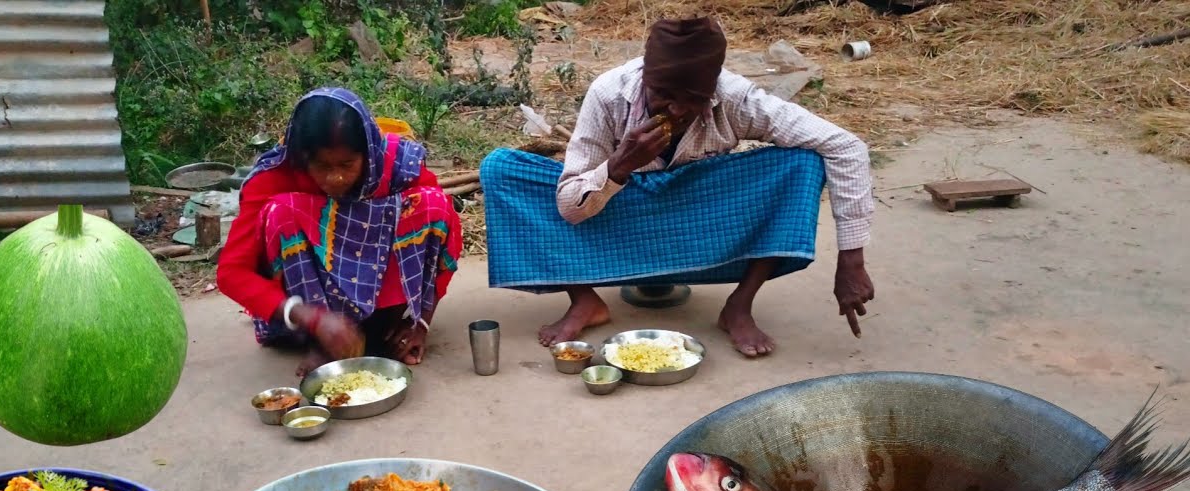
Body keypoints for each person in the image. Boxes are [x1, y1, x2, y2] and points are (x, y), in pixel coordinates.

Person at [480, 17, 876, 357]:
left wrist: (851, 260)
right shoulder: (610, 93)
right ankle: (584, 300)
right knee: (502, 170)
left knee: (801, 163)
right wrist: (619, 166)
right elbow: (569, 205)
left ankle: (739, 305)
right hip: (622, 206)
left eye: (694, 99)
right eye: (664, 95)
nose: (677, 110)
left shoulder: (735, 97)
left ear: (713, 89)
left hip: (694, 209)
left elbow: (845, 145)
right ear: (645, 78)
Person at [217, 88, 463, 376]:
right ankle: (319, 341)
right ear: (302, 157)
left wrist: (421, 322)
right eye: (322, 166)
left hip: (387, 307)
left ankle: (392, 324)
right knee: (281, 212)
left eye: (347, 164)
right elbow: (231, 273)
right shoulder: (274, 178)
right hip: (312, 312)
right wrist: (311, 318)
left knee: (432, 203)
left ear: (367, 152)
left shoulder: (395, 165)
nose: (335, 178)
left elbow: (444, 237)